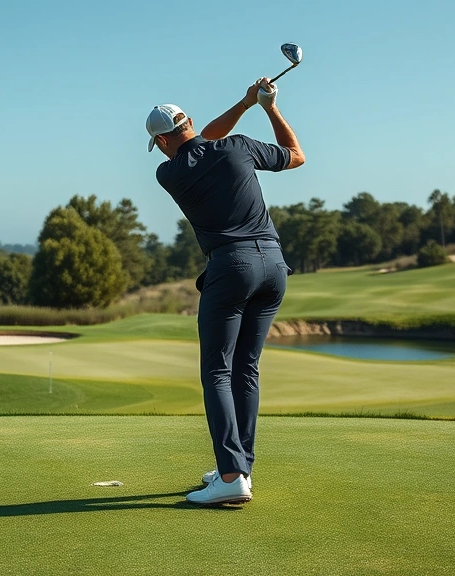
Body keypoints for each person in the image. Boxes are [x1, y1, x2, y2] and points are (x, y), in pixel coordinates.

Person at [146, 78, 305, 505]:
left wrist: (245, 102)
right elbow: (296, 156)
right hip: (274, 264)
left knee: (217, 370)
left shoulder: (168, 172)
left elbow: (197, 145)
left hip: (231, 267)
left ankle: (232, 474)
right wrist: (266, 107)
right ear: (191, 123)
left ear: (161, 141)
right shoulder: (237, 147)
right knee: (246, 369)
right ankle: (238, 470)